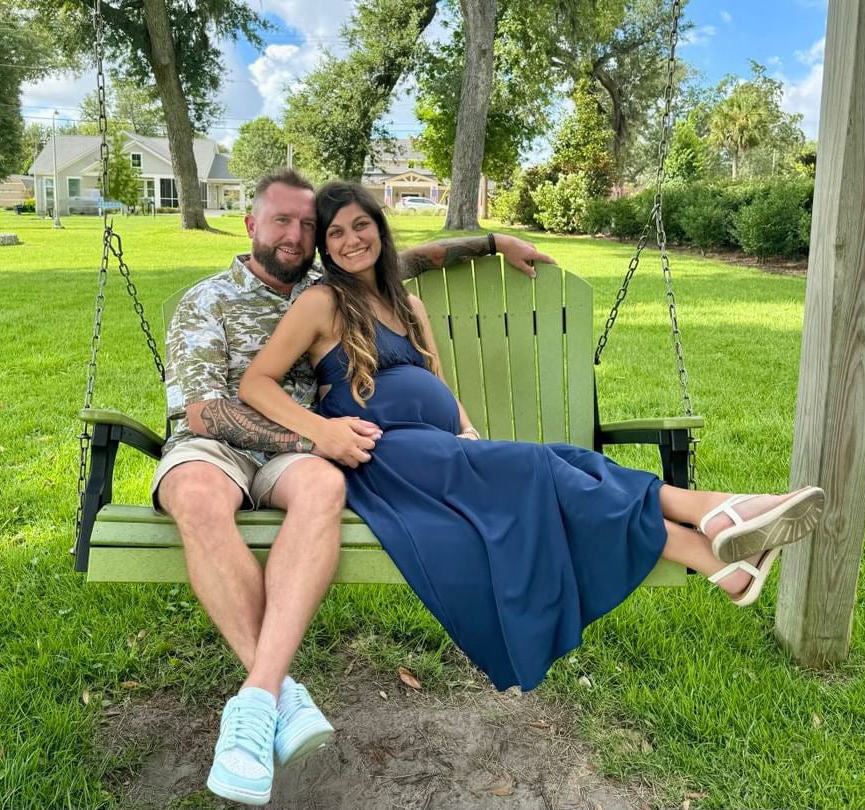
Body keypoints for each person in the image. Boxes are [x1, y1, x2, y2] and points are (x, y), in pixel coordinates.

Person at [238, 179, 826, 720]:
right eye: (335, 233)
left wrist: (467, 428)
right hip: (384, 455)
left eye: (361, 225)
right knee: (544, 465)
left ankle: (719, 561)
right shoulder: (322, 303)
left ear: (380, 228)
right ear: (324, 247)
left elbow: (436, 381)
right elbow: (256, 383)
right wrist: (321, 432)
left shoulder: (408, 304)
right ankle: (713, 511)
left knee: (567, 461)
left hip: (439, 449)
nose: (350, 240)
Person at [153, 168, 555, 806]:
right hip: (223, 445)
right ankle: (276, 693)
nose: (295, 235)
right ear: (251, 224)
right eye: (281, 221)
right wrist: (315, 437)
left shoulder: (328, 285)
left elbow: (405, 258)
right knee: (197, 495)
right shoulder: (208, 300)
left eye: (305, 225)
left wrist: (491, 242)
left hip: (305, 452)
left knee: (322, 488)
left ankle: (256, 698)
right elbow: (202, 412)